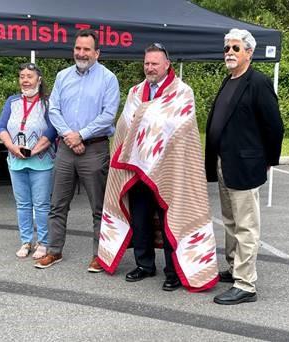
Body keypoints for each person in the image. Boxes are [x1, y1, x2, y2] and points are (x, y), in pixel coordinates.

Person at [97, 43, 219, 292]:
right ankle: (144, 265)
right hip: (137, 170)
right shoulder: (135, 92)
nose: (149, 68)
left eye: (154, 64)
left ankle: (173, 271)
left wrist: (147, 125)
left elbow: (180, 129)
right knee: (140, 218)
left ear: (167, 65)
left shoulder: (183, 92)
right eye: (146, 63)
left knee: (170, 219)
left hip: (170, 170)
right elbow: (125, 126)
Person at [205, 28, 284, 305]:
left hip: (246, 165)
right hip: (224, 163)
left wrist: (267, 162)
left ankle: (246, 284)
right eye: (227, 48)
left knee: (246, 226)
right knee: (230, 221)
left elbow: (274, 127)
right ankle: (234, 267)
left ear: (249, 52)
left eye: (235, 48)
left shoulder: (258, 83)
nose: (229, 52)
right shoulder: (229, 80)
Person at [34, 29, 120, 271]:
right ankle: (54, 251)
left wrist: (81, 134)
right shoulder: (62, 76)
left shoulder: (108, 79)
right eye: (78, 48)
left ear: (97, 53)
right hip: (65, 149)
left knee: (99, 207)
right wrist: (71, 137)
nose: (81, 53)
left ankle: (100, 255)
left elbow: (108, 115)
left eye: (87, 49)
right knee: (57, 204)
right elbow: (53, 110)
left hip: (95, 149)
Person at [0, 62, 57, 259]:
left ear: (39, 80)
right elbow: (1, 127)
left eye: (29, 76)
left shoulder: (47, 103)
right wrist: (11, 147)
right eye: (22, 76)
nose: (25, 80)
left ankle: (43, 242)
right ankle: (25, 241)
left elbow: (51, 130)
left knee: (41, 204)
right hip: (16, 160)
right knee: (22, 204)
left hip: (41, 161)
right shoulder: (12, 101)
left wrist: (34, 150)